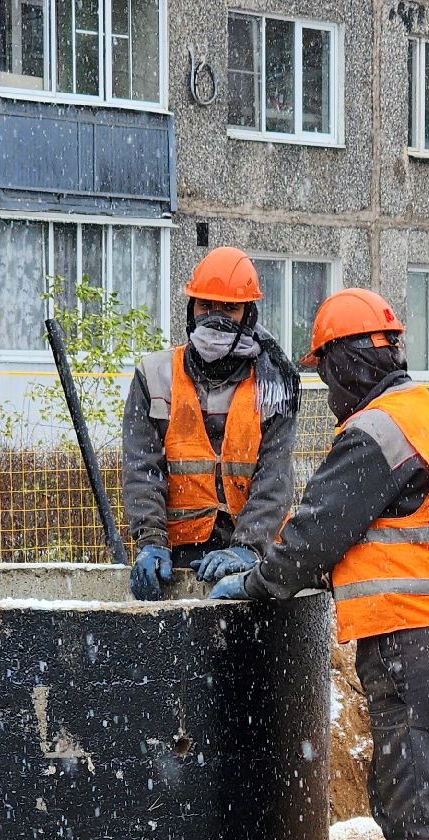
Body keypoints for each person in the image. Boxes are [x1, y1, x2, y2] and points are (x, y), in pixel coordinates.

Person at [208, 288, 429, 840]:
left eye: (326, 373)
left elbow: (316, 530)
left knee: (416, 790)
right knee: (410, 786)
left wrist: (257, 580)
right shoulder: (425, 415)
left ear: (348, 363)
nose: (326, 391)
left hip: (411, 636)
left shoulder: (378, 432)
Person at [121, 247, 299, 601]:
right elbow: (141, 468)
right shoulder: (154, 376)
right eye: (205, 306)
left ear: (248, 314)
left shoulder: (275, 385)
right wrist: (150, 540)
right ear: (192, 309)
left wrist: (248, 546)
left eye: (229, 308)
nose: (215, 318)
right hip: (177, 555)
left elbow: (274, 478)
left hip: (252, 556)